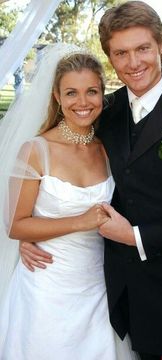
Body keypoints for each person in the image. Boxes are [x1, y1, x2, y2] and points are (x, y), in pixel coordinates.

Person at [20, 2, 162, 359]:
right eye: (121, 53)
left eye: (142, 49)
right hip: (113, 289)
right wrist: (34, 232)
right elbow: (68, 171)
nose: (133, 63)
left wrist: (134, 236)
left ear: (161, 46)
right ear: (110, 57)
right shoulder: (106, 110)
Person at [0, 43, 137, 360]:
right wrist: (80, 222)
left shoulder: (107, 148)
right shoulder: (36, 150)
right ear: (57, 98)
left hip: (97, 284)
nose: (83, 102)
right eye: (71, 93)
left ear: (103, 95)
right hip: (46, 286)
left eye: (92, 91)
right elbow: (16, 224)